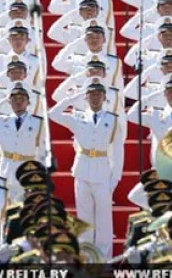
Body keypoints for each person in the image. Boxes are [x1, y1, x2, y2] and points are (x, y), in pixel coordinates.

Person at [48, 79, 126, 257]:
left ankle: (104, 259)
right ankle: (86, 257)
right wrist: (73, 96)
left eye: (98, 94)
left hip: (103, 171)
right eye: (91, 94)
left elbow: (118, 150)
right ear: (86, 97)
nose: (95, 97)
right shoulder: (78, 117)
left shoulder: (112, 120)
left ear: (104, 97)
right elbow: (53, 113)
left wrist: (116, 177)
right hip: (82, 170)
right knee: (84, 217)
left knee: (104, 220)